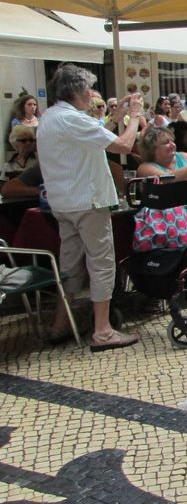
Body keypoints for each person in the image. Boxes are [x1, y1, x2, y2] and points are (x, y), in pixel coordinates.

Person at [38, 66, 143, 350]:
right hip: (88, 201)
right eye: (88, 90)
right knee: (101, 263)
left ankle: (61, 323)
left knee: (70, 264)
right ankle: (103, 330)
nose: (91, 95)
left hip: (64, 202)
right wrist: (134, 118)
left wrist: (117, 116)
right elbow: (123, 144)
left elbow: (96, 135)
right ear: (76, 91)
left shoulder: (51, 116)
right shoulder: (71, 118)